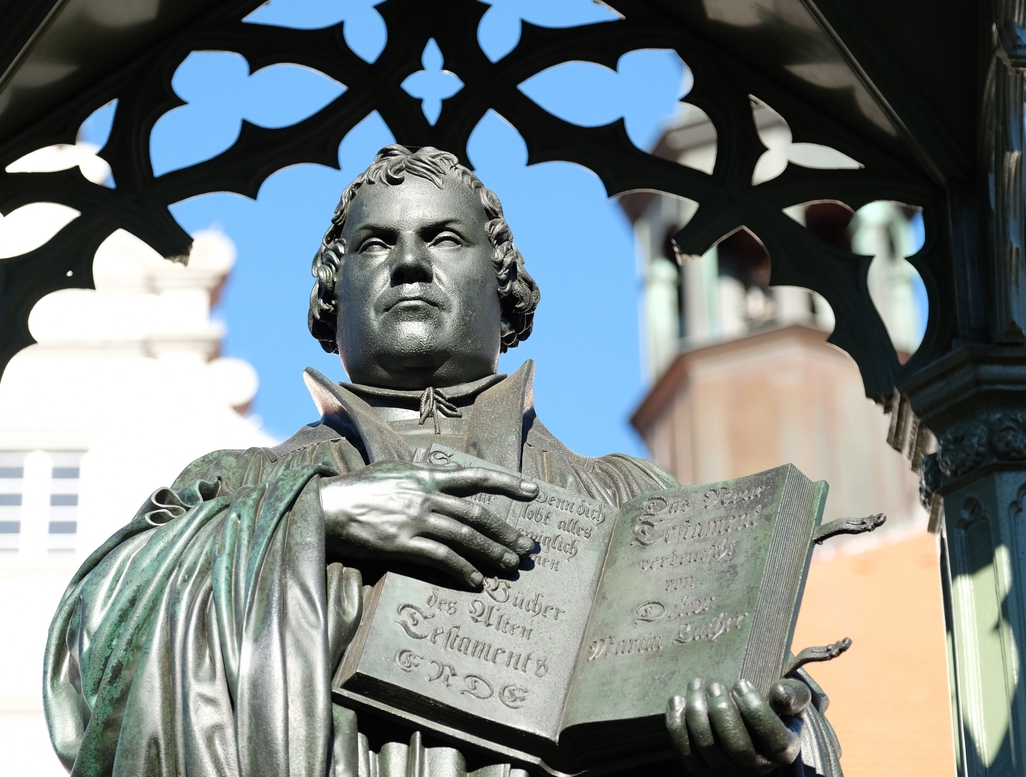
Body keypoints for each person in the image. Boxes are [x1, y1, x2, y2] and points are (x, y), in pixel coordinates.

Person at [43, 145, 841, 777]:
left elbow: (798, 718)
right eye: (376, 243)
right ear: (335, 291)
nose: (410, 263)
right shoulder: (238, 486)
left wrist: (770, 749)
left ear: (505, 287)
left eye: (444, 238)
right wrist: (314, 518)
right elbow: (88, 661)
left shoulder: (634, 506)